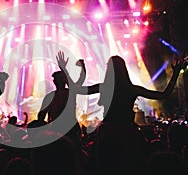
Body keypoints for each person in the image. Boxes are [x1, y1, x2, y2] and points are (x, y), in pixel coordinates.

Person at [57, 51, 187, 174]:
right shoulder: (132, 89)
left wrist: (64, 71)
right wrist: (175, 74)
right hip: (129, 133)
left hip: (108, 133)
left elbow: (77, 90)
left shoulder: (104, 88)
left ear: (109, 71)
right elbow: (164, 94)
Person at [37, 57, 86, 145]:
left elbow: (41, 116)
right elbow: (41, 115)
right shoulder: (68, 93)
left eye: (56, 79)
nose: (55, 81)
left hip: (62, 130)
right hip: (64, 129)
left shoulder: (66, 93)